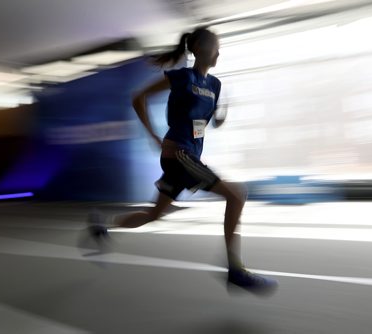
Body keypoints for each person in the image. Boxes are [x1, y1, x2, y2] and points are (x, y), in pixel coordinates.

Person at [89, 27, 277, 295]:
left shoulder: (215, 85)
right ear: (199, 47)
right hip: (179, 155)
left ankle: (102, 227)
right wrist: (153, 134)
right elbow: (138, 97)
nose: (219, 52)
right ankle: (235, 270)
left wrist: (221, 117)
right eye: (215, 46)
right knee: (237, 195)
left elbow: (204, 123)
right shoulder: (181, 77)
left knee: (154, 215)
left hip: (188, 156)